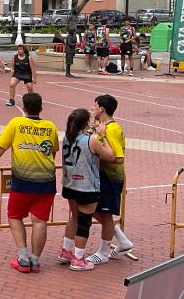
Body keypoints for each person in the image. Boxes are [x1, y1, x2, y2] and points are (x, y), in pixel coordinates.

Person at [0, 93, 59, 274]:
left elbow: (1, 146)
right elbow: (52, 152)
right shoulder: (51, 126)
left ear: (23, 107)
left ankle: (23, 258)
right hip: (47, 180)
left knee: (15, 216)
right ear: (41, 108)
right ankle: (35, 260)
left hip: (23, 181)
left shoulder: (16, 123)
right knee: (40, 221)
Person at [57, 109, 116, 271]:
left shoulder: (67, 138)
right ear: (85, 123)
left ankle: (66, 251)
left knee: (74, 217)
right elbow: (110, 157)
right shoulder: (92, 141)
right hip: (86, 186)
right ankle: (78, 258)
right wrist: (103, 135)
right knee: (84, 222)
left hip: (69, 184)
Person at [87, 94, 134, 265]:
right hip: (101, 177)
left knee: (105, 214)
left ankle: (104, 252)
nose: (93, 109)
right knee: (95, 210)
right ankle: (123, 241)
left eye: (95, 106)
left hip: (110, 178)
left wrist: (103, 136)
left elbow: (117, 157)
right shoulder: (102, 126)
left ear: (102, 109)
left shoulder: (112, 129)